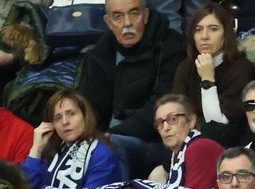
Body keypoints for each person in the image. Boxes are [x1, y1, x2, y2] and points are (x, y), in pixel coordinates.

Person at [77, 0, 187, 178]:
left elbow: (161, 106)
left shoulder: (171, 47)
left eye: (134, 13)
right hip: (104, 139)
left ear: (145, 15)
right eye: (118, 17)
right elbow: (86, 106)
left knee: (110, 147)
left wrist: (109, 136)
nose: (127, 23)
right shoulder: (99, 54)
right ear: (108, 22)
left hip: (153, 140)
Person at [24, 91, 127, 189]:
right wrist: (36, 149)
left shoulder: (101, 153)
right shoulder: (53, 153)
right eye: (57, 118)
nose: (65, 122)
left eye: (71, 114)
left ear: (85, 116)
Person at [172, 2, 255, 147]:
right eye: (198, 30)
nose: (204, 36)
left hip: (232, 148)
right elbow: (176, 116)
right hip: (188, 143)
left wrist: (207, 80)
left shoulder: (241, 69)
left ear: (226, 34)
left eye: (213, 29)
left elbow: (218, 128)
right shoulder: (185, 67)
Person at [146, 95, 224, 189]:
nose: (165, 128)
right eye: (160, 123)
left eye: (173, 119)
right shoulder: (177, 155)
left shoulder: (200, 147)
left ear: (191, 121)